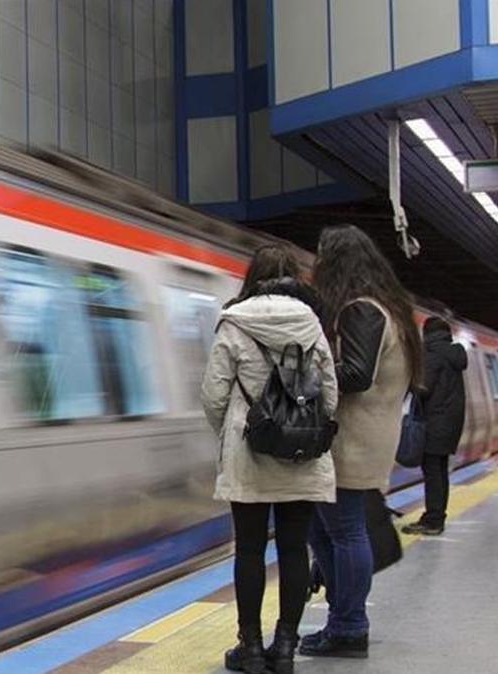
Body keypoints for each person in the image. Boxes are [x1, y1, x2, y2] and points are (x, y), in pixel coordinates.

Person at [201, 245, 338, 674]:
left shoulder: (234, 323)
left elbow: (213, 395)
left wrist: (234, 430)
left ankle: (251, 648)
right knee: (294, 548)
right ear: (294, 278)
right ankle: (285, 648)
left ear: (253, 277)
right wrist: (305, 425)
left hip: (249, 453)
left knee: (250, 550)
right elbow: (331, 396)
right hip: (301, 454)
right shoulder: (312, 325)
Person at [303, 225, 422, 659]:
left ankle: (350, 626)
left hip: (353, 440)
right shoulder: (390, 309)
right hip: (368, 435)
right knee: (326, 529)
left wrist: (307, 379)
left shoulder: (361, 310)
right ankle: (342, 620)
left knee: (344, 531)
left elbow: (355, 374)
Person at [403, 316, 467, 535]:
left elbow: (423, 387)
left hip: (434, 423)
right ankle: (437, 516)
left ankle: (433, 521)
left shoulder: (432, 354)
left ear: (426, 333)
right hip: (449, 424)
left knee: (432, 473)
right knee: (439, 472)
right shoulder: (453, 354)